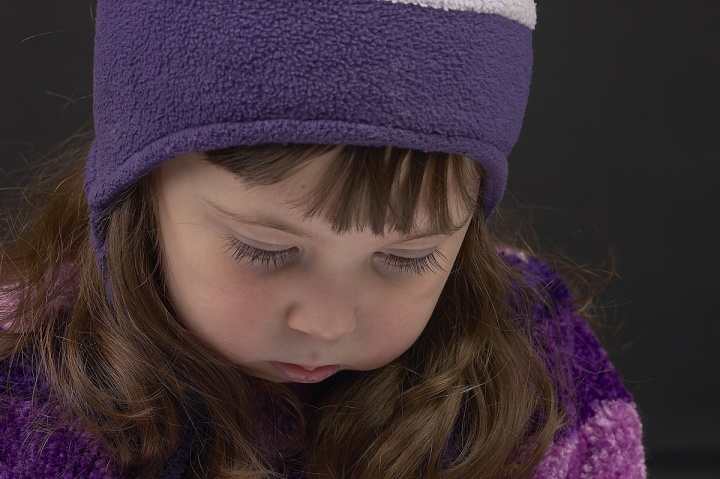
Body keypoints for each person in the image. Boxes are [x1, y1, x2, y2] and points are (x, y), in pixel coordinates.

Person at [0, 1, 646, 478]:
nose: (327, 321)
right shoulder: (24, 394)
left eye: (407, 256)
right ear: (137, 192)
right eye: (266, 249)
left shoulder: (538, 368)